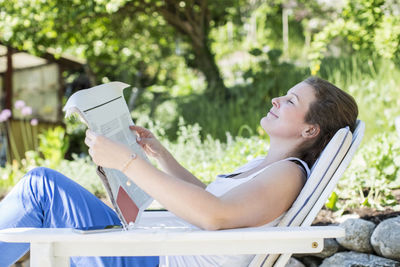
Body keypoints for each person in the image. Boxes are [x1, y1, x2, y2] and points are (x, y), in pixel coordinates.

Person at [0, 76, 358, 267]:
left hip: (159, 260)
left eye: (291, 100)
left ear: (310, 130)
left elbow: (215, 216)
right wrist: (159, 154)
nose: (276, 100)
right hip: (156, 251)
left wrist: (125, 162)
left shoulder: (288, 175)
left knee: (41, 188)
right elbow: (210, 198)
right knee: (42, 186)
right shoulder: (267, 167)